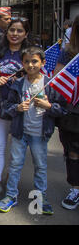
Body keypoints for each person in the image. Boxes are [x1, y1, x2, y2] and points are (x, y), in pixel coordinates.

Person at [0, 46, 67, 214]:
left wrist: (48, 106)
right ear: (22, 63)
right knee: (15, 165)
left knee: (40, 166)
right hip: (20, 133)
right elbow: (6, 108)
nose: (30, 65)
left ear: (42, 63)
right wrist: (17, 108)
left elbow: (62, 110)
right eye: (26, 61)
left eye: (34, 61)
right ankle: (11, 196)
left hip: (40, 134)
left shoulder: (50, 85)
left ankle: (40, 197)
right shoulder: (18, 84)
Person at [0, 17, 32, 197]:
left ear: (26, 34)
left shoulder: (31, 55)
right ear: (6, 31)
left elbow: (38, 78)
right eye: (12, 30)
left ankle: (13, 181)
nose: (15, 34)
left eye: (20, 31)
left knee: (18, 147)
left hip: (23, 106)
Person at [54, 15, 79, 210]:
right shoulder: (67, 54)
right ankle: (76, 187)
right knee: (73, 152)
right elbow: (58, 80)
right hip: (72, 114)